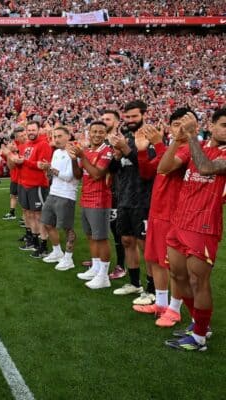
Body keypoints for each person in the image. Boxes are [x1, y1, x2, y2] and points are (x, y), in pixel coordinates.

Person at [162, 109, 226, 351]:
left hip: (204, 225)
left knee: (199, 280)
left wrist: (191, 137)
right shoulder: (194, 145)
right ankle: (199, 324)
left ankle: (199, 338)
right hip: (180, 221)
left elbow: (206, 168)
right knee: (178, 276)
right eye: (223, 125)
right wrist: (177, 140)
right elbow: (165, 168)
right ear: (211, 124)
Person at [133, 109, 192, 327]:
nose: (180, 129)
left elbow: (166, 167)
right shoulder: (169, 149)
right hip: (157, 212)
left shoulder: (189, 150)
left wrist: (158, 144)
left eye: (184, 124)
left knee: (174, 266)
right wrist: (141, 152)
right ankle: (160, 303)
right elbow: (148, 172)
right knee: (155, 259)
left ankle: (175, 310)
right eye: (176, 124)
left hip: (174, 214)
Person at [108, 101, 155, 302]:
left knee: (146, 246)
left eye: (134, 116)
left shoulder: (152, 137)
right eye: (127, 117)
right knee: (127, 241)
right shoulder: (125, 137)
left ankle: (153, 289)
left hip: (144, 199)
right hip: (124, 198)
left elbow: (149, 169)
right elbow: (114, 168)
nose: (130, 121)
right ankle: (135, 284)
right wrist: (116, 155)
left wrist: (126, 149)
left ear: (144, 114)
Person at [69, 122, 114, 288]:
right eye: (94, 131)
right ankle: (96, 269)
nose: (96, 134)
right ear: (89, 132)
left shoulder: (107, 151)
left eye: (100, 132)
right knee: (90, 236)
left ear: (105, 134)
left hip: (100, 200)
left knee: (101, 238)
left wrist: (81, 156)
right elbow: (78, 175)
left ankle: (104, 276)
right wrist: (74, 159)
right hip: (86, 197)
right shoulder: (87, 151)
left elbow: (96, 175)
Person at [39, 126, 80, 268]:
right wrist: (47, 169)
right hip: (54, 191)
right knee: (47, 223)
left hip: (67, 194)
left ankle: (69, 259)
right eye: (54, 136)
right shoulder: (56, 152)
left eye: (59, 136)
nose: (56, 139)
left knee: (67, 228)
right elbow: (52, 175)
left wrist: (50, 169)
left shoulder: (74, 152)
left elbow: (69, 176)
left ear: (68, 136)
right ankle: (57, 252)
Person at [14, 121, 53, 257]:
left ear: (38, 130)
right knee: (29, 213)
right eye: (29, 130)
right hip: (25, 184)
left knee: (39, 215)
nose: (31, 132)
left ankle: (43, 245)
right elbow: (24, 164)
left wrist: (23, 161)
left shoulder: (43, 145)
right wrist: (17, 162)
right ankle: (34, 241)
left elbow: (42, 165)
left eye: (33, 130)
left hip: (37, 185)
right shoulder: (25, 146)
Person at [100, 110, 126, 279]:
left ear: (116, 123)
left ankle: (121, 266)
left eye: (107, 119)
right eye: (102, 118)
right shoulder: (101, 141)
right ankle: (98, 259)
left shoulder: (120, 141)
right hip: (101, 191)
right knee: (100, 227)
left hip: (117, 191)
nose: (104, 121)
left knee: (118, 230)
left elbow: (116, 167)